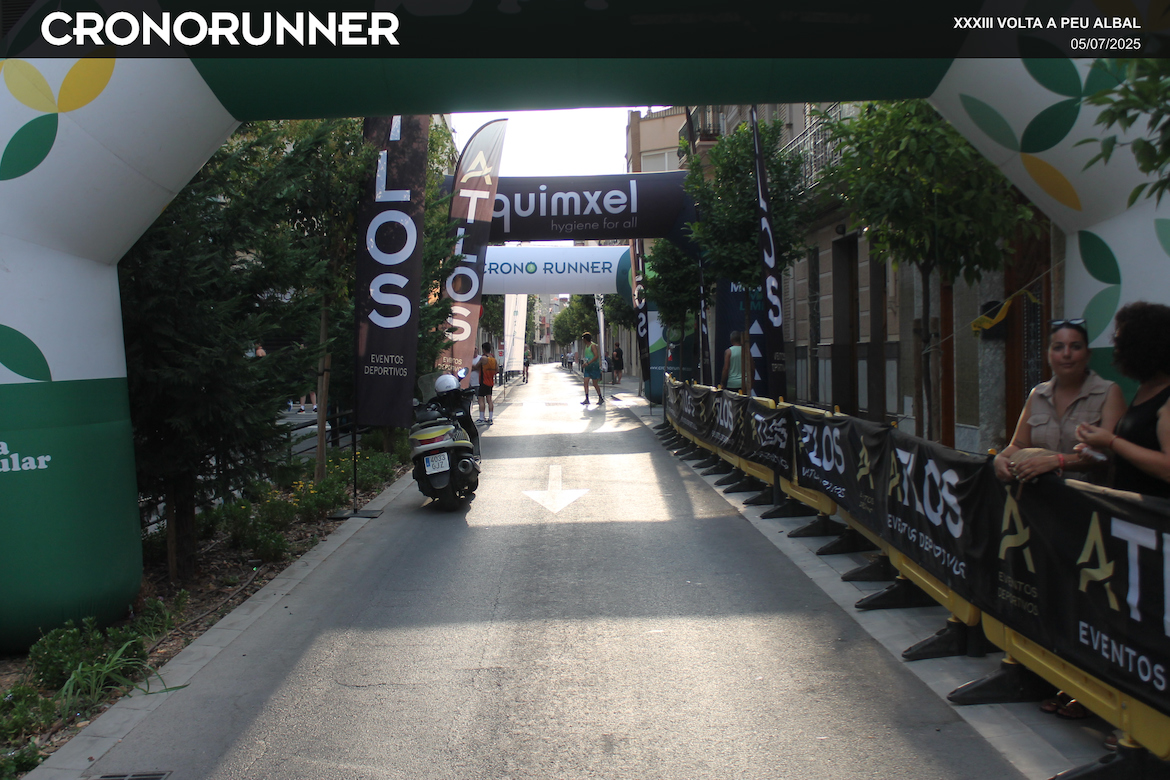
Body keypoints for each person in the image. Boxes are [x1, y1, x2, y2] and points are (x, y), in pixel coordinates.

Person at [993, 319, 1125, 485]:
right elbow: (1018, 445)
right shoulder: (1037, 394)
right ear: (1048, 355)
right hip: (1040, 495)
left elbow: (1108, 456)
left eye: (1075, 347)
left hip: (1088, 496)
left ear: (1088, 354)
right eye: (1058, 347)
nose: (1066, 354)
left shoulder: (1109, 392)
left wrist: (1057, 461)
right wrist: (1000, 458)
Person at [1077, 301, 1170, 499]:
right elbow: (1137, 451)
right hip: (1131, 511)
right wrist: (1099, 451)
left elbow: (1167, 468)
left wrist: (1111, 441)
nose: (1117, 351)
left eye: (1122, 344)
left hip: (1156, 515)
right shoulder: (1145, 388)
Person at [476, 342, 498, 424]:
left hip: (483, 381)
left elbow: (476, 366)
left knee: (481, 399)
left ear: (483, 349)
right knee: (489, 400)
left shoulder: (483, 358)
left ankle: (482, 418)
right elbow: (497, 370)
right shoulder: (494, 359)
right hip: (490, 382)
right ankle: (490, 418)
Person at [580, 332, 603, 405]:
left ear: (586, 339)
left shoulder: (593, 346)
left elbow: (596, 356)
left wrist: (588, 363)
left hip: (593, 366)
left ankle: (600, 397)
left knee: (595, 383)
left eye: (583, 339)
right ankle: (587, 399)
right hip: (588, 367)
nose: (583, 340)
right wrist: (585, 363)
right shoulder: (586, 346)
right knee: (585, 382)